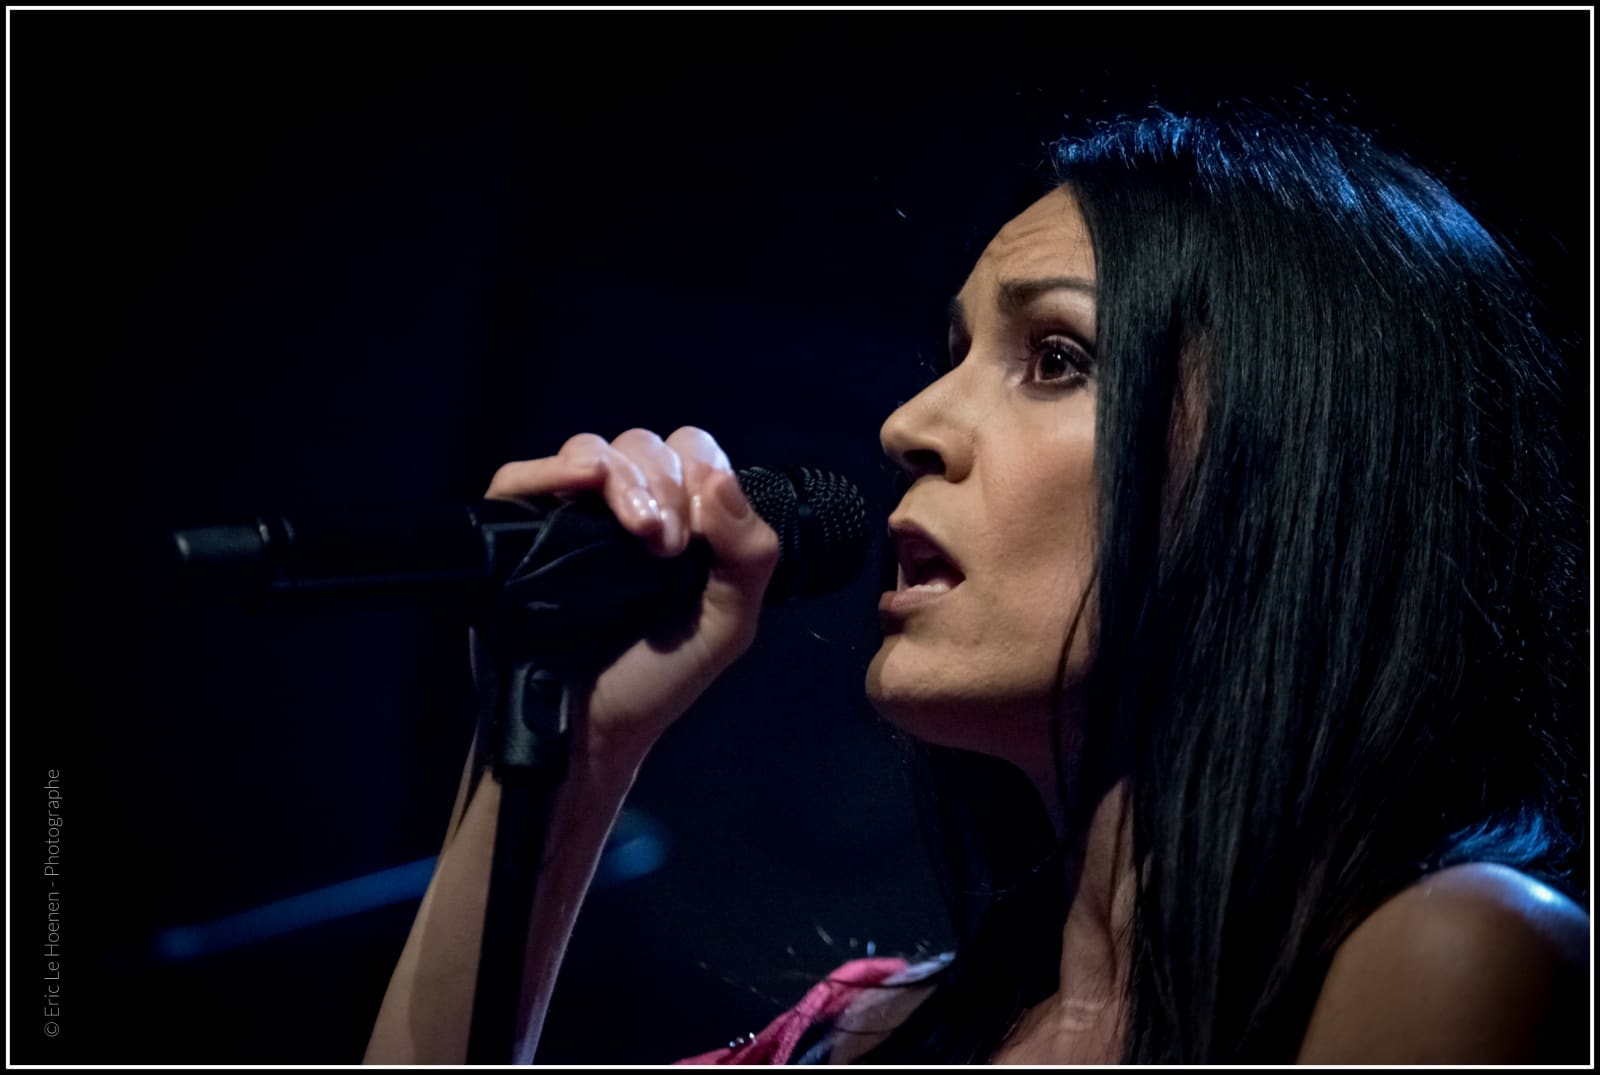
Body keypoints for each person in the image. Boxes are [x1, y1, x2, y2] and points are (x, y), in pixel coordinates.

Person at [363, 103, 1589, 1064]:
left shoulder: (1450, 954)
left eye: (1055, 356)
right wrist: (563, 755)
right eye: (952, 354)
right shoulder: (854, 1033)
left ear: (1305, 466)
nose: (907, 425)